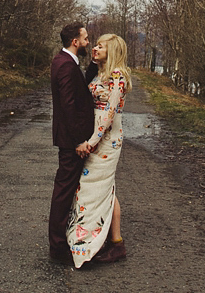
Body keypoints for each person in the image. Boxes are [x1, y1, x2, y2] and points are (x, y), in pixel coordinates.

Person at [66, 33, 132, 267]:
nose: (94, 48)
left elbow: (110, 113)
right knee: (105, 188)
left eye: (100, 47)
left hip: (106, 139)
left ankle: (99, 242)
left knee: (94, 187)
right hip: (96, 136)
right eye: (94, 45)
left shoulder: (117, 76)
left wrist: (92, 142)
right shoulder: (102, 73)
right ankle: (115, 242)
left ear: (112, 51)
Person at [48, 22, 97, 263]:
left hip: (69, 138)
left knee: (65, 190)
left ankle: (63, 242)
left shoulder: (65, 62)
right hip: (71, 141)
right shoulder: (66, 66)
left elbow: (79, 91)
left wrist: (95, 67)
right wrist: (79, 140)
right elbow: (68, 105)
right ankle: (57, 249)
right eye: (86, 38)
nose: (88, 42)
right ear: (75, 42)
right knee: (63, 192)